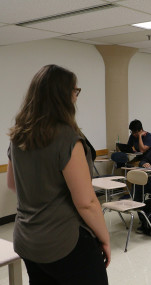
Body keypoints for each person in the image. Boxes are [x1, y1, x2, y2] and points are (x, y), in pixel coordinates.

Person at [7, 65, 109, 284]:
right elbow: (87, 202)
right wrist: (105, 238)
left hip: (27, 239)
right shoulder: (67, 138)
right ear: (62, 95)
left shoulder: (19, 135)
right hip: (64, 242)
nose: (76, 96)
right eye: (75, 91)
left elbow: (13, 184)